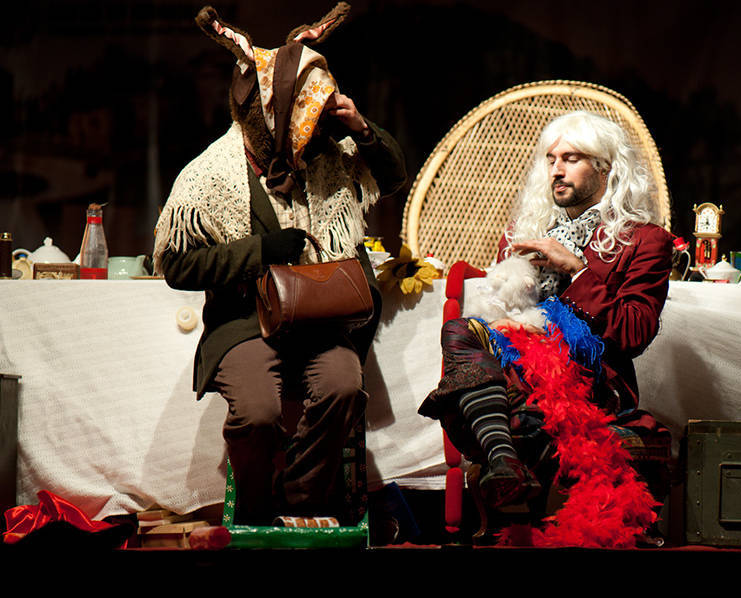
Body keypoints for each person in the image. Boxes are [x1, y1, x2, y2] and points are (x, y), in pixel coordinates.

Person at [152, 5, 406, 525]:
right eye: (302, 120)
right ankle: (256, 511)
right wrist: (261, 252)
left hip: (320, 320)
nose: (312, 133)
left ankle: (302, 502)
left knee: (343, 387)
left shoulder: (327, 159)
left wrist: (359, 126)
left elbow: (391, 176)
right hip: (246, 322)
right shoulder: (209, 175)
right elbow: (177, 266)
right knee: (259, 413)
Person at [419, 111, 673, 512]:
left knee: (475, 393)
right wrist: (510, 325)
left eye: (571, 159)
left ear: (605, 168)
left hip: (587, 379)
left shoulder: (645, 241)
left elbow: (633, 333)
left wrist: (576, 270)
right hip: (517, 367)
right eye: (551, 160)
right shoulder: (526, 233)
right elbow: (500, 310)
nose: (557, 170)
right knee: (460, 331)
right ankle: (506, 463)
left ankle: (506, 463)